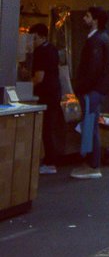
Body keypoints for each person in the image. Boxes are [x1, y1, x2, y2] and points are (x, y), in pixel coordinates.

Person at [72, 6, 109, 179]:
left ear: (95, 19)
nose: (84, 19)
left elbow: (93, 69)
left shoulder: (95, 40)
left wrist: (81, 87)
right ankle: (91, 162)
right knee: (91, 125)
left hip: (92, 90)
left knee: (90, 126)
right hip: (97, 89)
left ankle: (93, 165)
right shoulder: (103, 38)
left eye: (87, 16)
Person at [30, 24, 62, 174]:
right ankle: (51, 160)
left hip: (45, 94)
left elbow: (39, 77)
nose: (33, 41)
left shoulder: (40, 52)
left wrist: (27, 84)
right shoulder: (53, 49)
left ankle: (49, 162)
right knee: (50, 127)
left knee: (45, 128)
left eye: (34, 37)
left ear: (42, 37)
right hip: (55, 91)